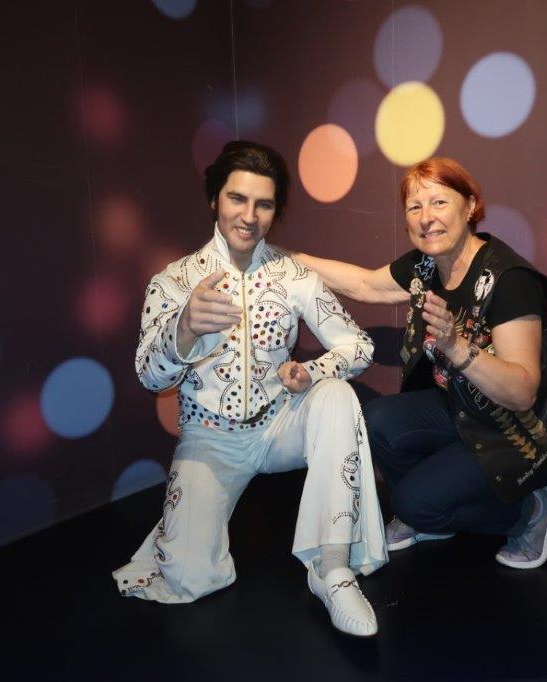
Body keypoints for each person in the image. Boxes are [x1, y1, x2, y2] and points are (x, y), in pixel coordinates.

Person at [113, 140, 387, 637]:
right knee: (189, 578)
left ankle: (332, 568)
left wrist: (312, 373)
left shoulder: (293, 276)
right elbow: (150, 377)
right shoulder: (174, 281)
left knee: (336, 396)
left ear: (275, 211)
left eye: (263, 204)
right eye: (237, 198)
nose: (249, 215)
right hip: (210, 440)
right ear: (214, 199)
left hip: (279, 425)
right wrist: (183, 330)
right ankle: (182, 529)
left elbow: (358, 346)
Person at [289, 157, 547, 569]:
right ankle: (428, 509)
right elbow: (364, 284)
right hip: (464, 409)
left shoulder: (510, 279)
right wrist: (287, 258)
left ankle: (528, 512)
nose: (426, 217)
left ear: (470, 206)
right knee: (378, 419)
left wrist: (455, 345)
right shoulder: (425, 265)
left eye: (439, 202)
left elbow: (521, 393)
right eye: (415, 207)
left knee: (412, 504)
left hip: (516, 431)